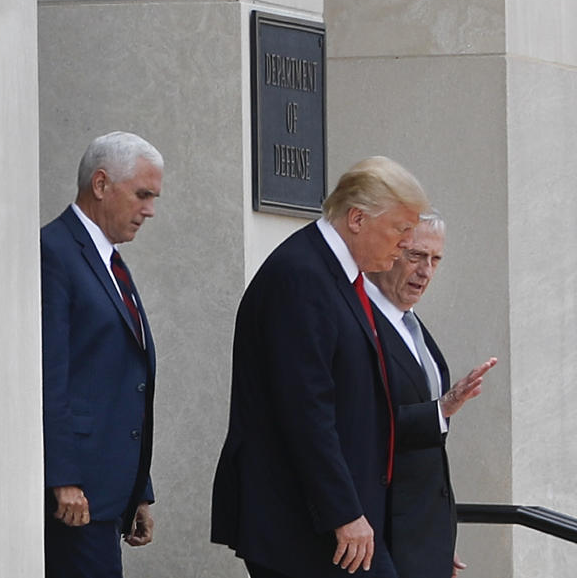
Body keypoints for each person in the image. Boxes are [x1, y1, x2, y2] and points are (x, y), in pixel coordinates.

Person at [212, 156, 431, 578]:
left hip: (338, 520)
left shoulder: (337, 277)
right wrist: (344, 512)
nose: (406, 243)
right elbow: (305, 409)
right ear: (357, 218)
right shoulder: (302, 276)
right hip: (307, 524)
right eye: (401, 229)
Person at [41, 131, 164, 578]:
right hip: (76, 496)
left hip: (110, 492)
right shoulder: (55, 252)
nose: (150, 209)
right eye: (142, 194)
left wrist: (139, 491)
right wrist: (64, 479)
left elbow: (122, 380)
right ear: (100, 184)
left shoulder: (110, 259)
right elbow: (51, 375)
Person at [364, 213, 496, 578]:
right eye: (416, 256)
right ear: (391, 251)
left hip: (419, 539)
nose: (426, 271)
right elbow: (368, 428)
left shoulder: (410, 322)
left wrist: (434, 539)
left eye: (435, 260)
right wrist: (444, 408)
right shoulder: (360, 321)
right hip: (379, 540)